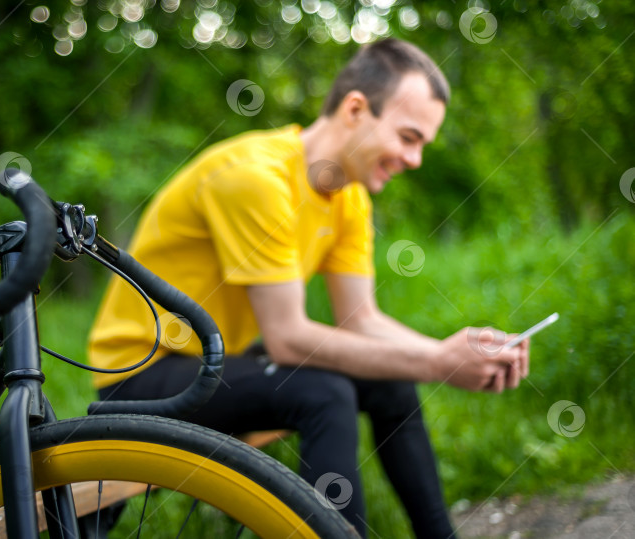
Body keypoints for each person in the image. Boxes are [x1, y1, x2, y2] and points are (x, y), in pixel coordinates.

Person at [87, 38, 529, 538]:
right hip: (140, 376)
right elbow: (288, 339)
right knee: (324, 392)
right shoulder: (256, 178)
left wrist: (457, 351)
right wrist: (439, 364)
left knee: (388, 383)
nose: (415, 158)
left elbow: (361, 320)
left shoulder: (348, 196)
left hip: (218, 361)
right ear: (356, 109)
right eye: (409, 137)